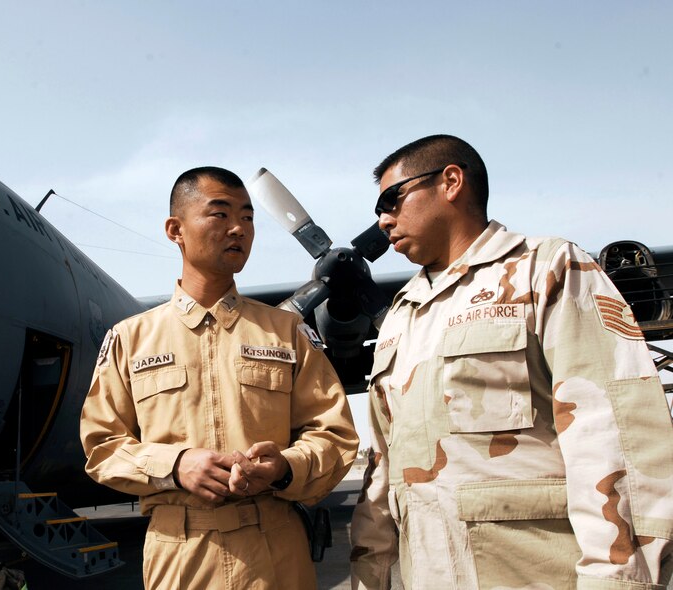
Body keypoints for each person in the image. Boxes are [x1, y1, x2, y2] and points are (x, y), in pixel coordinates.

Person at [350, 135, 673, 589]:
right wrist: (370, 576)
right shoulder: (401, 315)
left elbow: (617, 431)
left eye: (392, 199)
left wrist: (620, 579)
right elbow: (382, 465)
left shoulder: (546, 269)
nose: (383, 220)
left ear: (451, 182)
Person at [81, 166, 359, 589]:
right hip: (178, 553)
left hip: (276, 551)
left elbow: (334, 434)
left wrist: (285, 467)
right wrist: (174, 465)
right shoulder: (129, 339)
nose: (239, 229)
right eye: (220, 214)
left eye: (248, 218)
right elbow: (102, 446)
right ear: (176, 229)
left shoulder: (286, 332)